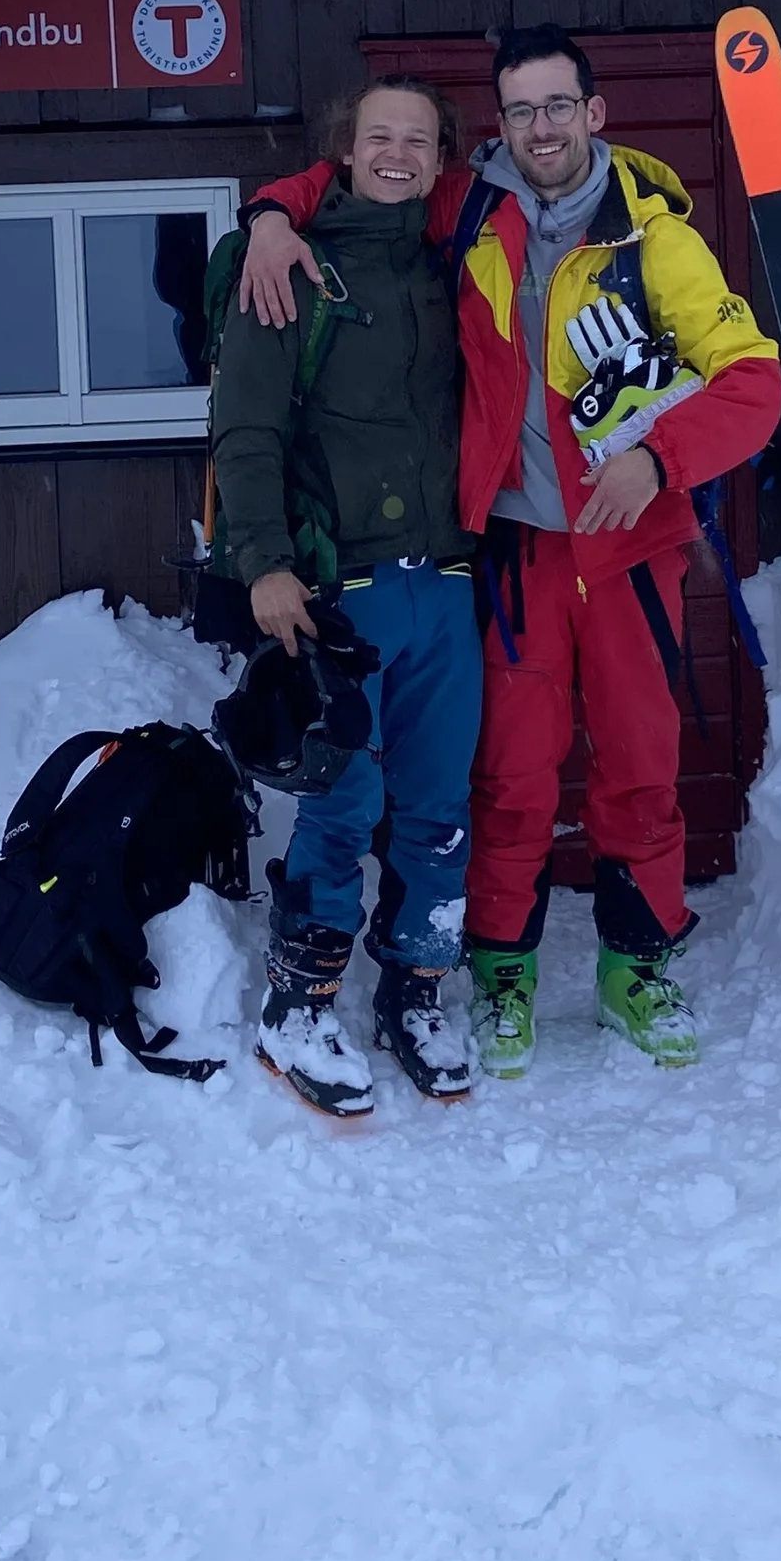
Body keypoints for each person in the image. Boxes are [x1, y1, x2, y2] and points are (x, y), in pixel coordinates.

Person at [238, 25, 781, 1075]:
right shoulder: (472, 210)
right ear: (499, 127)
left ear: (594, 114)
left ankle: (638, 969)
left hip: (631, 548)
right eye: (520, 110)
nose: (540, 127)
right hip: (514, 555)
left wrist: (660, 461)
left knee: (639, 768)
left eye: (556, 106)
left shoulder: (652, 239)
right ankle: (501, 978)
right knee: (511, 778)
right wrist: (272, 213)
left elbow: (751, 381)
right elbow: (373, 169)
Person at [207, 78, 481, 1117]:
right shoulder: (289, 266)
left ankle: (414, 990)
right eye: (380, 137)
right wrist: (265, 564)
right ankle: (300, 1001)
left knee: (438, 806)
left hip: (446, 579)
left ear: (440, 153)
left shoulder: (455, 260)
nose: (398, 154)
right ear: (346, 148)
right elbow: (247, 428)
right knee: (342, 799)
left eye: (418, 137)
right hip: (343, 586)